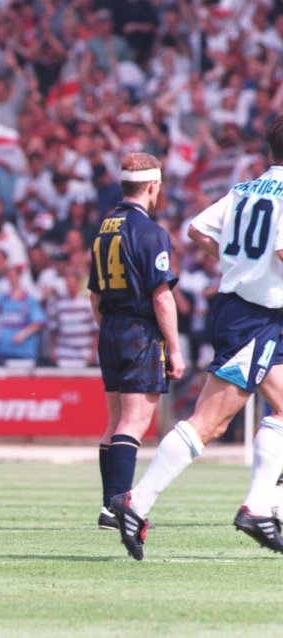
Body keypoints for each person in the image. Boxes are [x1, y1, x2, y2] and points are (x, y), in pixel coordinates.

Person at [111, 116, 283, 560]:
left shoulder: (246, 188)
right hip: (257, 316)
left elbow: (197, 229)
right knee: (209, 422)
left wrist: (238, 261)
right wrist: (257, 265)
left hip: (248, 310)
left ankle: (262, 506)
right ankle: (136, 503)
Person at [88, 152, 185, 532]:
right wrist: (174, 347)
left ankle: (108, 504)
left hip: (109, 326)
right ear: (152, 186)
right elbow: (162, 295)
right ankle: (118, 507)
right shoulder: (150, 232)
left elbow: (94, 294)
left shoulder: (103, 228)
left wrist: (107, 328)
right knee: (134, 421)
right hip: (138, 330)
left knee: (115, 421)